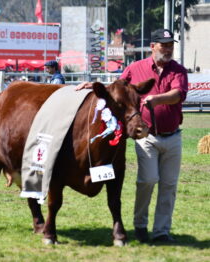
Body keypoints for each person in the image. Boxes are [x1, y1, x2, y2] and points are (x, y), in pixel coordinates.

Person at [76, 28, 188, 243]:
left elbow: (178, 95)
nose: (168, 48)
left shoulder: (178, 71)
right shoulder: (135, 68)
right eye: (163, 44)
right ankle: (141, 225)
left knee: (169, 185)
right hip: (145, 135)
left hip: (173, 136)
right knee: (147, 180)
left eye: (170, 44)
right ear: (152, 46)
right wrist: (92, 85)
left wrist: (156, 99)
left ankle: (162, 231)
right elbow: (116, 89)